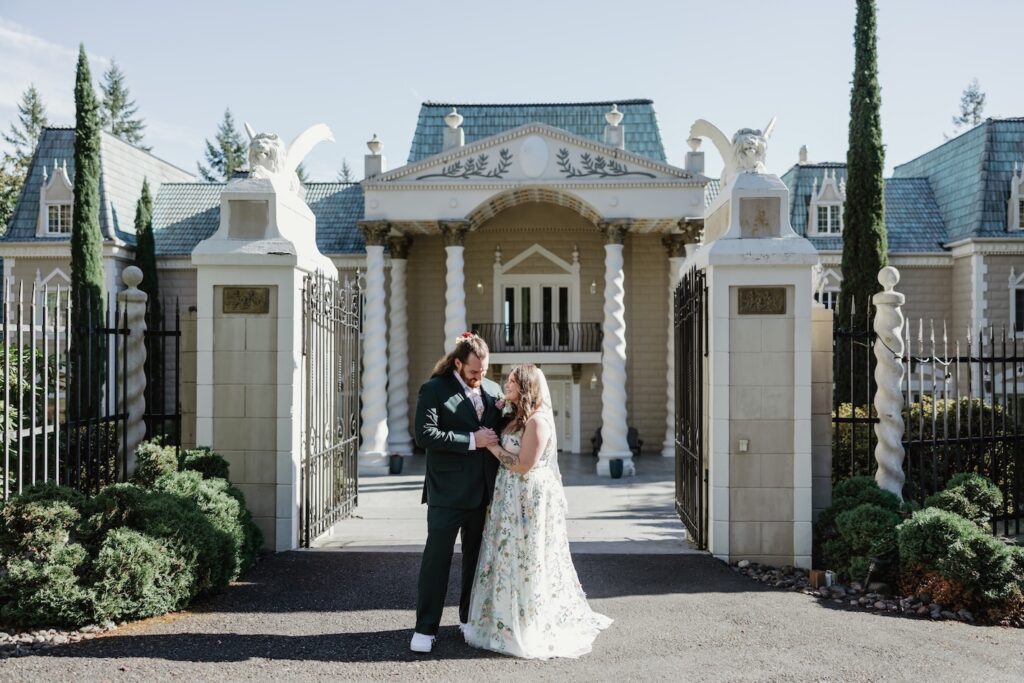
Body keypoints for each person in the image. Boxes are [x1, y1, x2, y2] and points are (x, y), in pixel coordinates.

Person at [462, 363, 612, 659]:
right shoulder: (516, 416)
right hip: (509, 495)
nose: (506, 384)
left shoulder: (538, 422)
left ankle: (527, 623)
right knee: (508, 556)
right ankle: (502, 620)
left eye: (513, 382)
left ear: (526, 387)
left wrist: (491, 446)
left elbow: (523, 465)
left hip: (528, 497)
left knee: (527, 555)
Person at [410, 332, 504, 654]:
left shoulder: (493, 391)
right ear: (458, 363)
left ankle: (468, 619)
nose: (480, 377)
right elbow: (425, 435)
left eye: (485, 370)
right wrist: (470, 440)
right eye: (474, 371)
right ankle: (425, 629)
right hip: (446, 494)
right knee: (436, 562)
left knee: (476, 563)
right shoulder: (434, 390)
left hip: (482, 495)